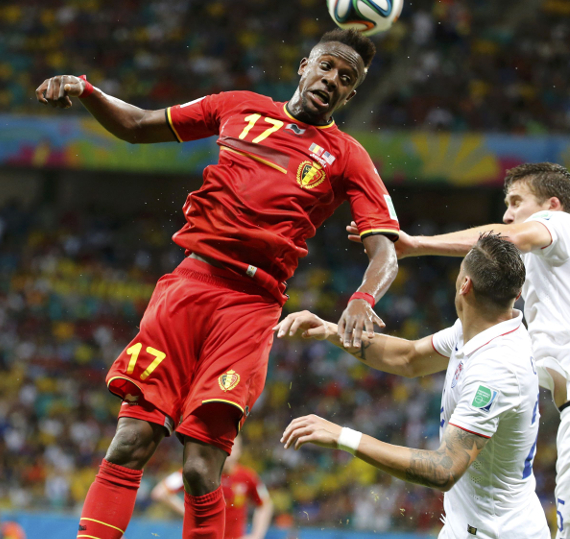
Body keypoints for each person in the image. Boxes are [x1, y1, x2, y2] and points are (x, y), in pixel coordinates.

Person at [36, 28, 400, 539]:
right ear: (304, 66)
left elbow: (386, 248)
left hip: (251, 307)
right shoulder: (238, 106)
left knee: (201, 467)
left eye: (346, 79)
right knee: (130, 440)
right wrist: (85, 89)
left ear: (351, 94)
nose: (332, 81)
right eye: (326, 67)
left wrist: (363, 298)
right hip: (189, 284)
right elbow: (139, 125)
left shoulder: (346, 156)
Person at [348, 162, 570, 538]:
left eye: (516, 201)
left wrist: (416, 245)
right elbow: (410, 357)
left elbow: (502, 240)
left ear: (552, 206)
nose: (507, 214)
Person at [276, 233, 550, 539]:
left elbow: (444, 468)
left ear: (465, 285)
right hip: (473, 526)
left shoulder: (496, 367)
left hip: (496, 533)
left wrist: (343, 436)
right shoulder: (479, 329)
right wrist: (329, 330)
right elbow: (408, 358)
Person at [151, 437, 273, 539]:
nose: (228, 453)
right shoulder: (198, 471)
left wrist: (257, 535)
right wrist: (189, 513)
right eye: (224, 447)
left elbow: (265, 504)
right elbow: (160, 492)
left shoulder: (248, 477)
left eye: (233, 448)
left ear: (240, 451)